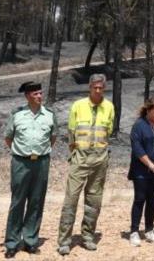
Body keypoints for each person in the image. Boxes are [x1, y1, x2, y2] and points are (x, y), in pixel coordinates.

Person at [56, 74, 115, 255]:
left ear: (104, 88)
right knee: (71, 199)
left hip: (99, 159)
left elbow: (109, 131)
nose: (97, 90)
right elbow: (71, 133)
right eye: (94, 87)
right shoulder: (78, 106)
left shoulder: (109, 107)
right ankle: (64, 240)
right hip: (80, 159)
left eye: (101, 88)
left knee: (94, 200)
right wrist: (75, 153)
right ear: (89, 87)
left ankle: (88, 236)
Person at [3, 81, 57, 258]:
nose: (40, 96)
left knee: (36, 201)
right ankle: (12, 242)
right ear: (27, 96)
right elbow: (8, 138)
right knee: (17, 201)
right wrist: (21, 153)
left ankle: (30, 241)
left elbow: (52, 137)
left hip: (41, 162)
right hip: (21, 162)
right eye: (35, 94)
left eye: (41, 93)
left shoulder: (49, 115)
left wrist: (39, 153)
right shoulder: (17, 115)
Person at [127, 98, 154, 247]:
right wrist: (150, 164)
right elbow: (137, 148)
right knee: (140, 199)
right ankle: (134, 231)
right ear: (148, 110)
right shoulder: (138, 126)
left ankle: (149, 230)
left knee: (152, 200)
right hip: (141, 169)